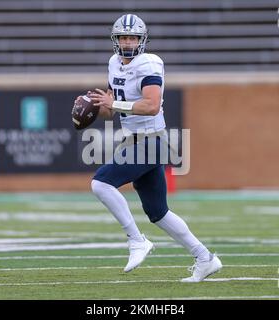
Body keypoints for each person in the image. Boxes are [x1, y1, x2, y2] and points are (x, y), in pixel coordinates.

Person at [75, 14, 222, 282]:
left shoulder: (148, 64)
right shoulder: (113, 63)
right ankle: (205, 258)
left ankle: (136, 240)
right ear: (115, 40)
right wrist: (94, 104)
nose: (128, 42)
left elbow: (151, 104)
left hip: (152, 140)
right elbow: (111, 108)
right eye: (123, 37)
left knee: (101, 184)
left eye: (132, 38)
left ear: (142, 41)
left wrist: (115, 105)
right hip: (134, 139)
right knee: (159, 213)